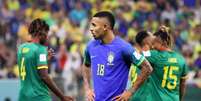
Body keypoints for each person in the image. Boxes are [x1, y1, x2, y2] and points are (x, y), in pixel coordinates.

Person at [82, 11, 153, 101]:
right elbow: (86, 65)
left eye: (94, 25)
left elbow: (147, 68)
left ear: (105, 27)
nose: (91, 29)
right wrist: (87, 89)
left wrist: (130, 92)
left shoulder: (124, 48)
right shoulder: (91, 46)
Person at [17, 18, 73, 101]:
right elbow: (44, 76)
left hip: (23, 97)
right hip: (39, 96)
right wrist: (62, 97)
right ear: (40, 33)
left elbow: (31, 67)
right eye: (46, 33)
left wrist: (45, 60)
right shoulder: (41, 49)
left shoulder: (21, 48)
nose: (47, 37)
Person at [144, 26, 188, 101]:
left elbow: (138, 54)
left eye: (154, 43)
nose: (152, 46)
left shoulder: (154, 55)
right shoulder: (181, 59)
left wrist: (149, 38)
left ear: (163, 43)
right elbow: (182, 85)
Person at [128, 31, 154, 101]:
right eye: (152, 36)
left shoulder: (137, 59)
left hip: (134, 97)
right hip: (143, 97)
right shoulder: (149, 57)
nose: (155, 38)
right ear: (147, 41)